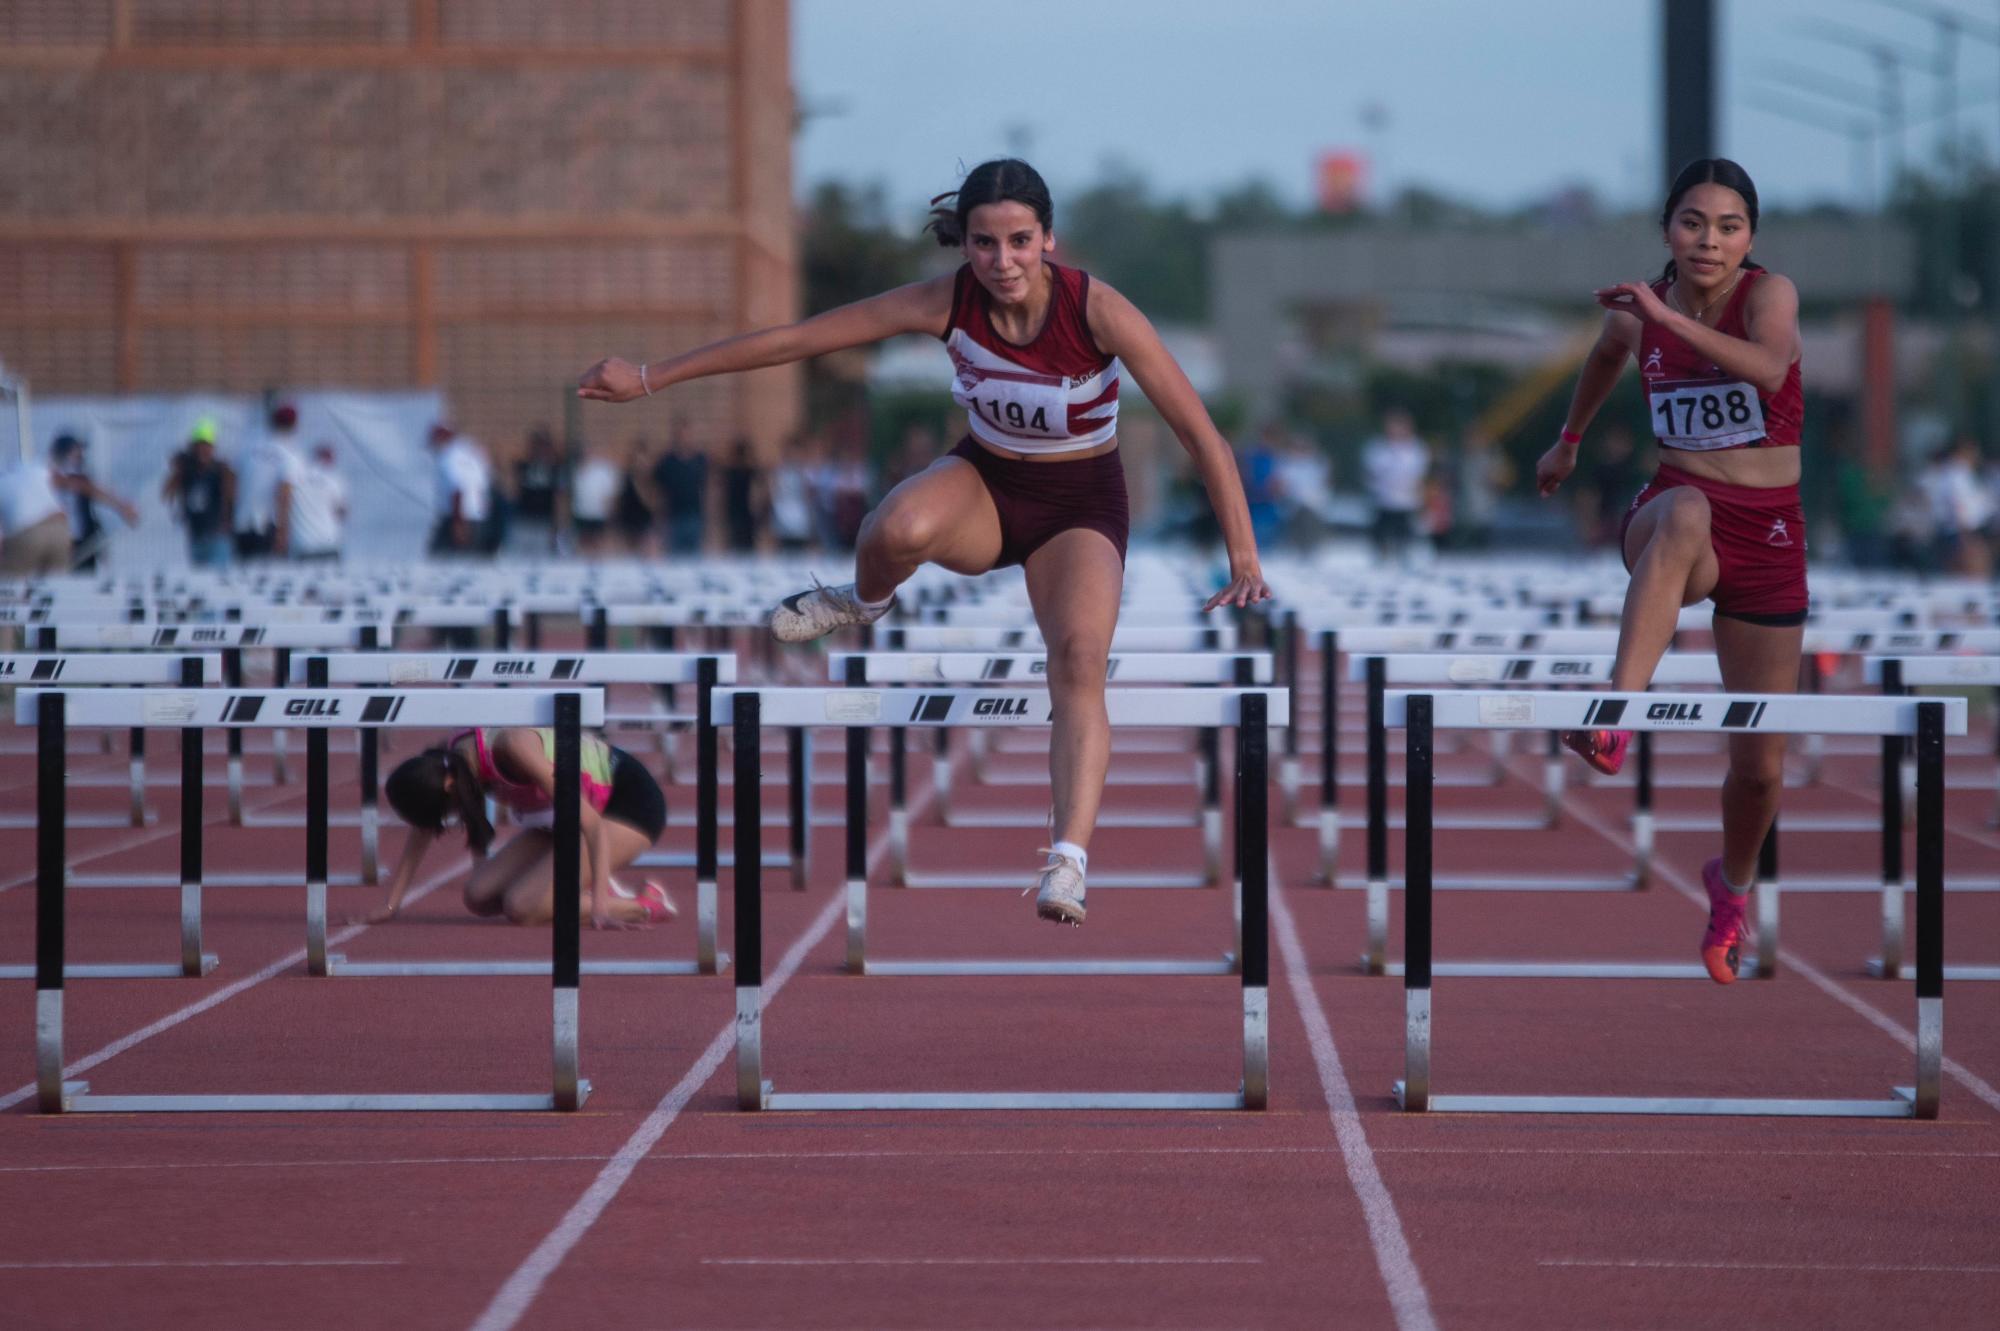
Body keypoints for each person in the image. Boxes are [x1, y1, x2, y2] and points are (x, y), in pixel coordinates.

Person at [578, 157, 1270, 927]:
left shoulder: (1097, 310)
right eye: (984, 243)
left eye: (1018, 242)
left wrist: (1242, 551)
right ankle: (861, 600)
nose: (1001, 262)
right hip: (986, 484)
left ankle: (1068, 861)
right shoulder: (946, 301)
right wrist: (649, 376)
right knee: (896, 526)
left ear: (1048, 241)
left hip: (1080, 505)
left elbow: (1198, 432)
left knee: (1078, 659)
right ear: (964, 244)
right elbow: (798, 340)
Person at [1536, 158, 1805, 985]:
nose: (1710, 240)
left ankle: (1731, 886)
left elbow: (1764, 369)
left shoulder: (1770, 296)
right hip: (1675, 516)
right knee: (1685, 512)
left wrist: (1661, 316)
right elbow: (1605, 359)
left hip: (1768, 534)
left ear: (1749, 238)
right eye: (1693, 223)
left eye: (1728, 226)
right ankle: (1617, 709)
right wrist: (1570, 440)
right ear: (1668, 230)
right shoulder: (1637, 314)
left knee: (1759, 767)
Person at [369, 725, 676, 928]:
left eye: (446, 812)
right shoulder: (449, 765)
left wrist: (599, 907)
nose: (451, 817)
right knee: (478, 896)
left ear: (449, 786)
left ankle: (643, 903)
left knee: (524, 908)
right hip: (559, 817)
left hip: (624, 805)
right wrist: (391, 904)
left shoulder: (514, 749)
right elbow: (421, 830)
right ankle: (575, 881)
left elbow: (591, 825)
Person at [49, 434, 139, 571]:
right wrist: (122, 506)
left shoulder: (77, 476)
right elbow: (87, 487)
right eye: (76, 450)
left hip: (80, 541)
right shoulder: (56, 476)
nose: (81, 454)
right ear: (65, 453)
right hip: (63, 542)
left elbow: (89, 489)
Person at [234, 403, 305, 561]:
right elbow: (284, 493)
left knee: (243, 578)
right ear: (294, 425)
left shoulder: (250, 445)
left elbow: (232, 480)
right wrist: (283, 531)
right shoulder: (290, 453)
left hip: (242, 522)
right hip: (268, 525)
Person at [163, 419, 236, 568]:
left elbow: (232, 496)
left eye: (206, 445)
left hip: (218, 535)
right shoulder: (187, 471)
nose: (203, 450)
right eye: (199, 445)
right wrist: (178, 470)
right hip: (196, 536)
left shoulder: (221, 470)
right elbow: (166, 493)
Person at [1361, 408, 1428, 562]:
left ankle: (1403, 554)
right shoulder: (1377, 447)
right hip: (1383, 498)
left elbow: (1419, 474)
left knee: (1404, 531)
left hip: (1406, 498)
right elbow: (1371, 472)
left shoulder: (1416, 448)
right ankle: (1382, 554)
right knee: (1382, 530)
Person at [0, 447, 77, 575]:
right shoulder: (37, 470)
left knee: (9, 580)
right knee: (55, 583)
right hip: (60, 529)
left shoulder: (3, 483)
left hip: (27, 531)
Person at [428, 422, 492, 557]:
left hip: (458, 518)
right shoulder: (470, 452)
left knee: (441, 559)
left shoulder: (449, 457)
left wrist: (458, 524)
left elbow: (458, 489)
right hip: (477, 517)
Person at [509, 427, 568, 557]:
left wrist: (558, 527)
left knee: (543, 560)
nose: (540, 450)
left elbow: (559, 499)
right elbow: (513, 492)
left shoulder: (555, 469)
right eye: (537, 445)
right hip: (524, 521)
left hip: (545, 523)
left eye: (544, 445)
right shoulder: (523, 466)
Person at [289, 441, 348, 563]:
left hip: (303, 545)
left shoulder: (298, 476)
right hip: (329, 543)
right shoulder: (334, 479)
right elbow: (342, 512)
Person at [650, 432, 708, 554]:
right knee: (674, 558)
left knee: (695, 558)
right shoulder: (667, 462)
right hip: (673, 517)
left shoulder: (700, 460)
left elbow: (708, 487)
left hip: (695, 515)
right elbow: (656, 489)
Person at [768, 434, 818, 554]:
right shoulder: (778, 472)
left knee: (799, 554)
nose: (793, 456)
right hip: (783, 519)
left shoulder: (805, 473)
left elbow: (809, 498)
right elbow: (774, 496)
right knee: (784, 554)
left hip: (800, 521)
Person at [569, 440, 619, 557]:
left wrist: (610, 514)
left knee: (599, 544)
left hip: (599, 514)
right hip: (580, 514)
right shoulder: (574, 471)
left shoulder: (603, 470)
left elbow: (611, 495)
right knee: (582, 544)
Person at [720, 437, 764, 552]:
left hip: (745, 516)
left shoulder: (750, 472)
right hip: (736, 516)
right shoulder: (731, 472)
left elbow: (757, 494)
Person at [614, 438, 656, 555]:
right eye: (637, 459)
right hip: (628, 524)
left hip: (644, 523)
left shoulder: (650, 479)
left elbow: (653, 504)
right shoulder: (626, 477)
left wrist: (641, 483)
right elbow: (619, 500)